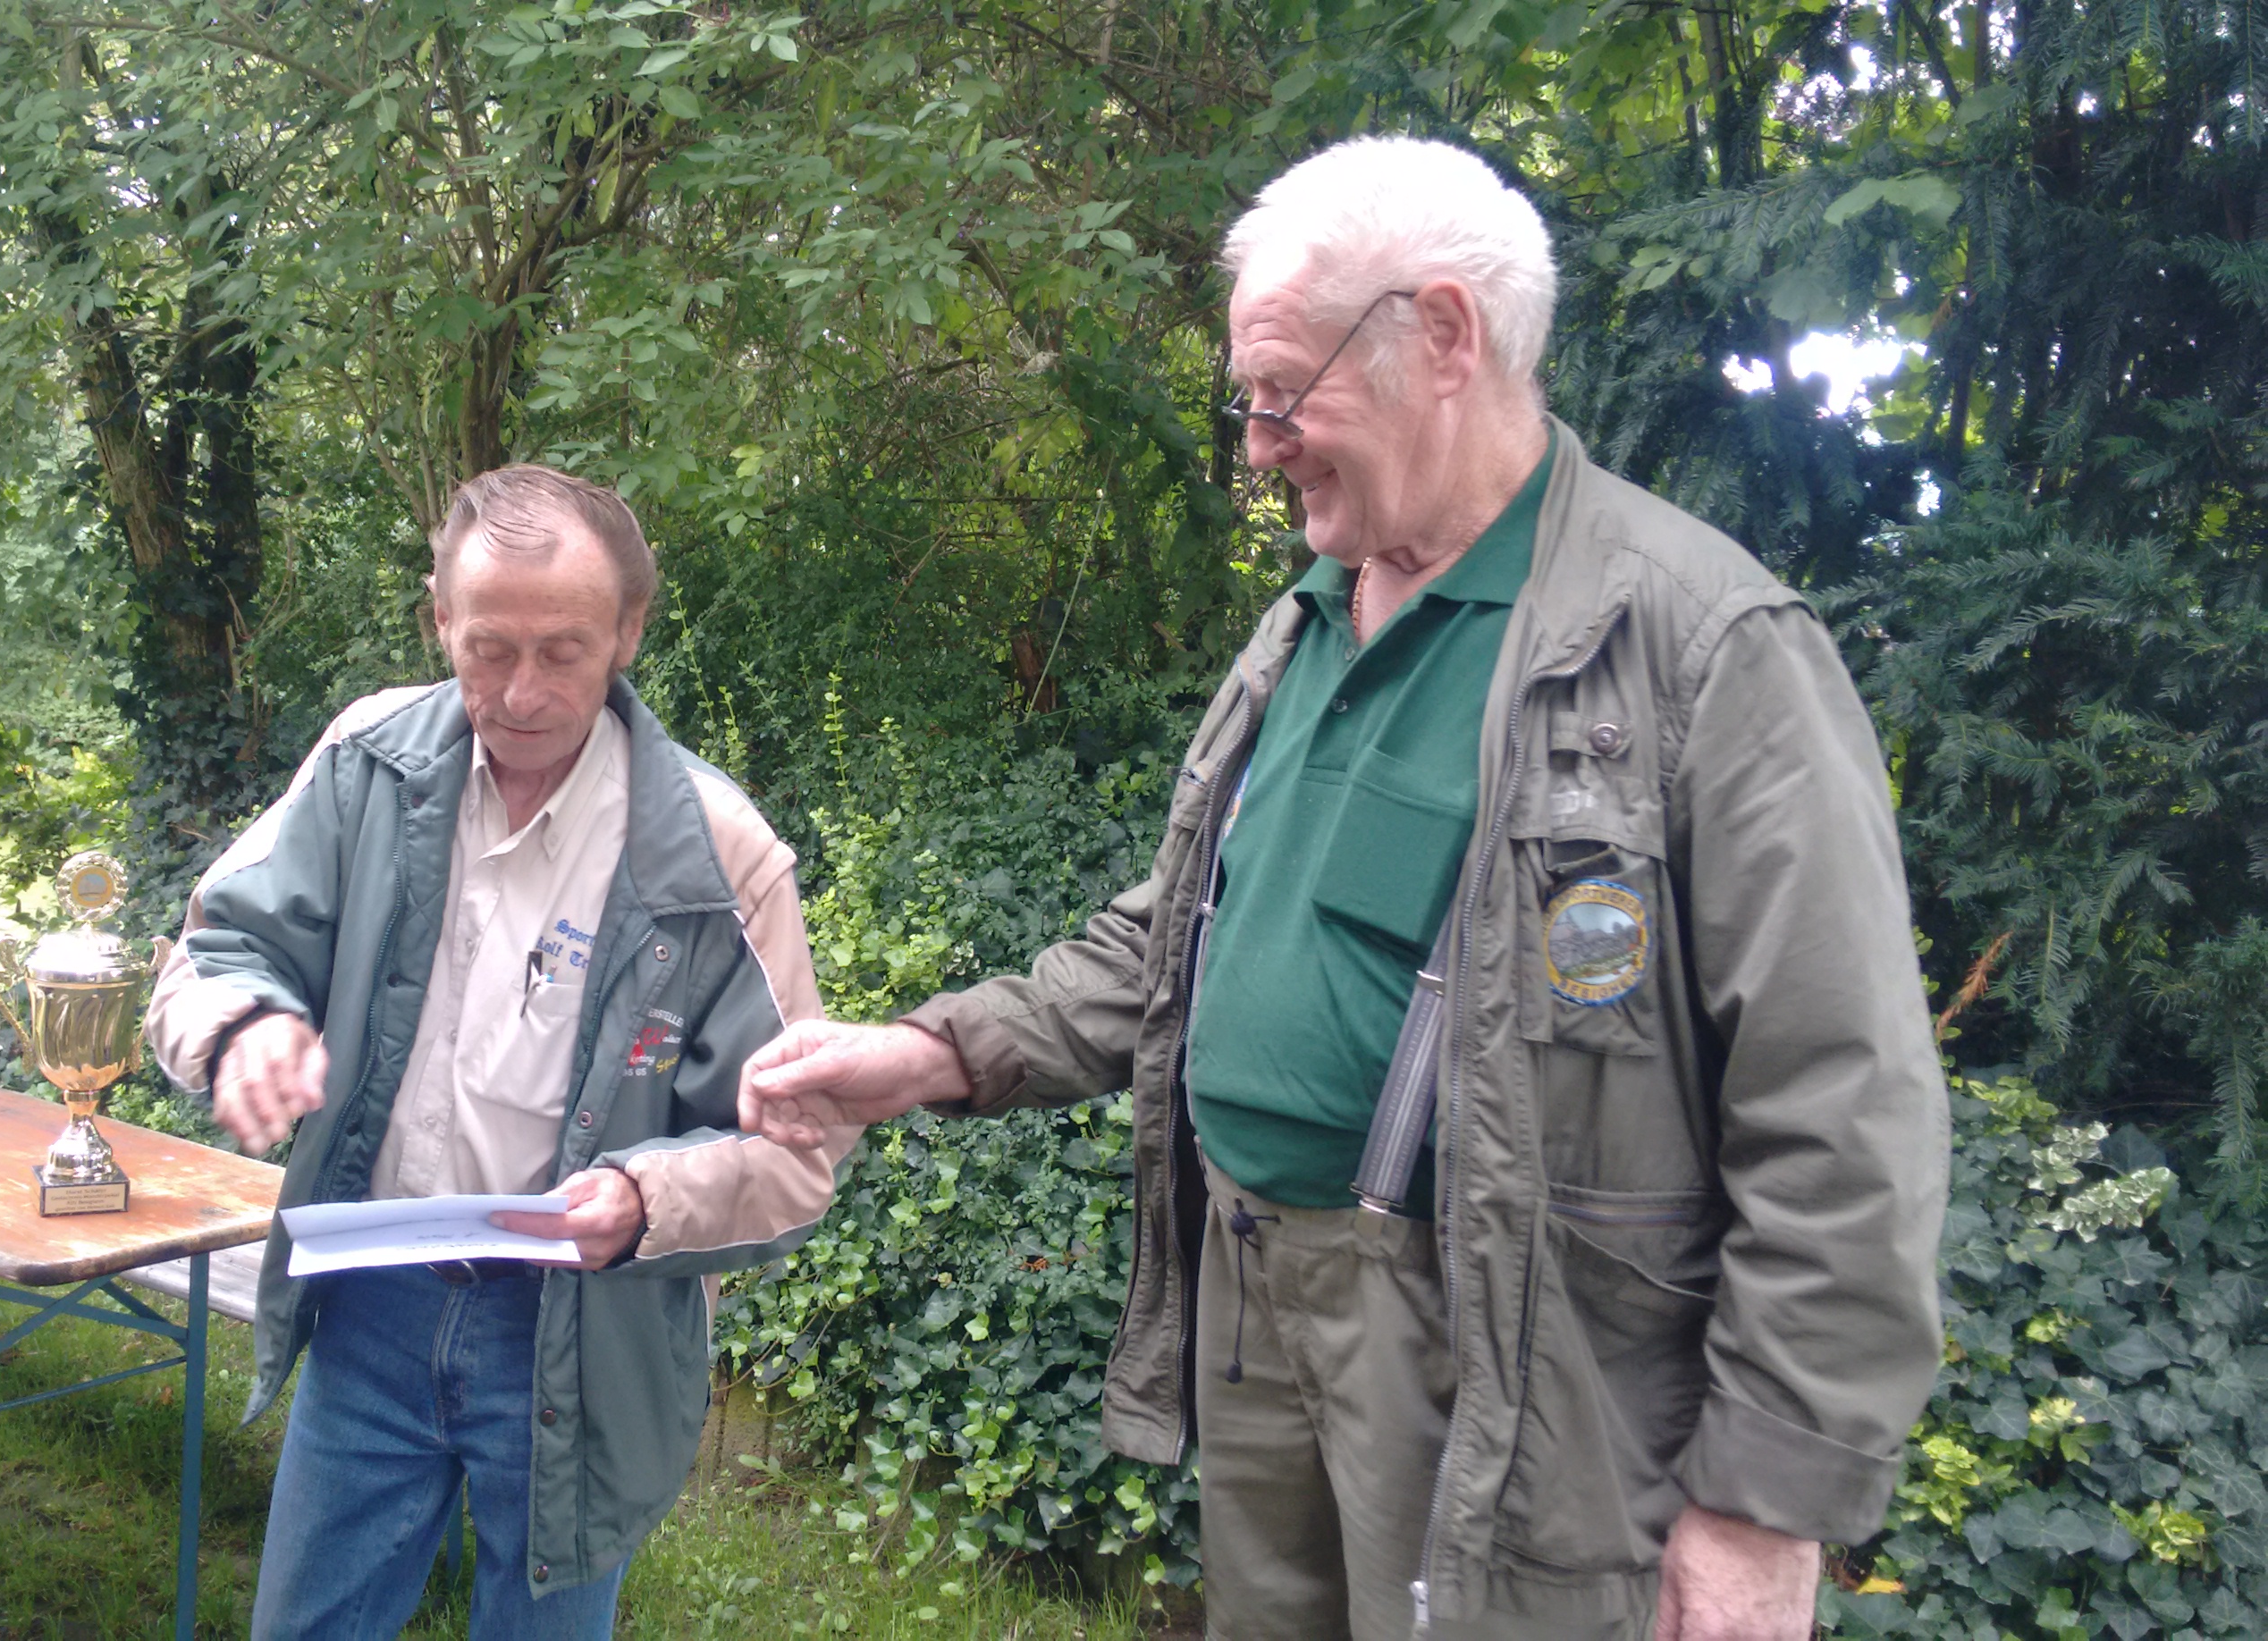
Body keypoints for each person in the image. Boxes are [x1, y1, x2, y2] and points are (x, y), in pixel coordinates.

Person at [737, 138, 1947, 1641]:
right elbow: (1184, 929)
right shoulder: (1309, 618)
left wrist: (1764, 1506)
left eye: (1280, 393)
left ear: (1441, 336)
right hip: (1256, 1295)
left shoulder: (1702, 647)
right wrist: (927, 1055)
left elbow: (1842, 1103)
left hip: (1502, 1349)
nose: (1257, 445)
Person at [146, 464, 848, 1640]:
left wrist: (647, 1199)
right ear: (440, 621)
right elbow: (215, 950)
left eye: (563, 652)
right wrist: (240, 1027)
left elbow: (798, 1153)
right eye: (488, 650)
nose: (521, 693)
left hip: (579, 1340)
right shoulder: (367, 763)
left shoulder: (718, 854)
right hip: (369, 1303)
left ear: (629, 632)